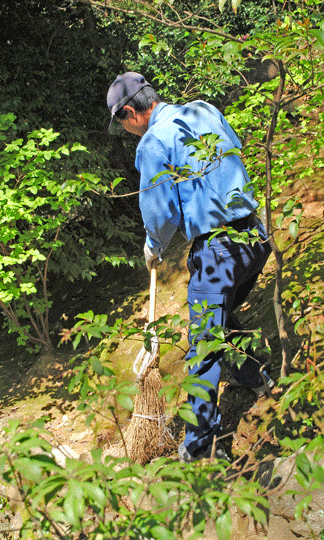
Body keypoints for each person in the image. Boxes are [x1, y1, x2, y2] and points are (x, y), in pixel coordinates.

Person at [106, 72, 273, 463]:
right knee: (220, 316)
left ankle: (200, 448)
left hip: (219, 253)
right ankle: (256, 376)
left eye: (121, 122)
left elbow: (160, 212)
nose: (126, 130)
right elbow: (234, 151)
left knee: (203, 346)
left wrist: (153, 246)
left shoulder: (152, 143)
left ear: (130, 112)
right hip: (256, 238)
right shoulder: (202, 109)